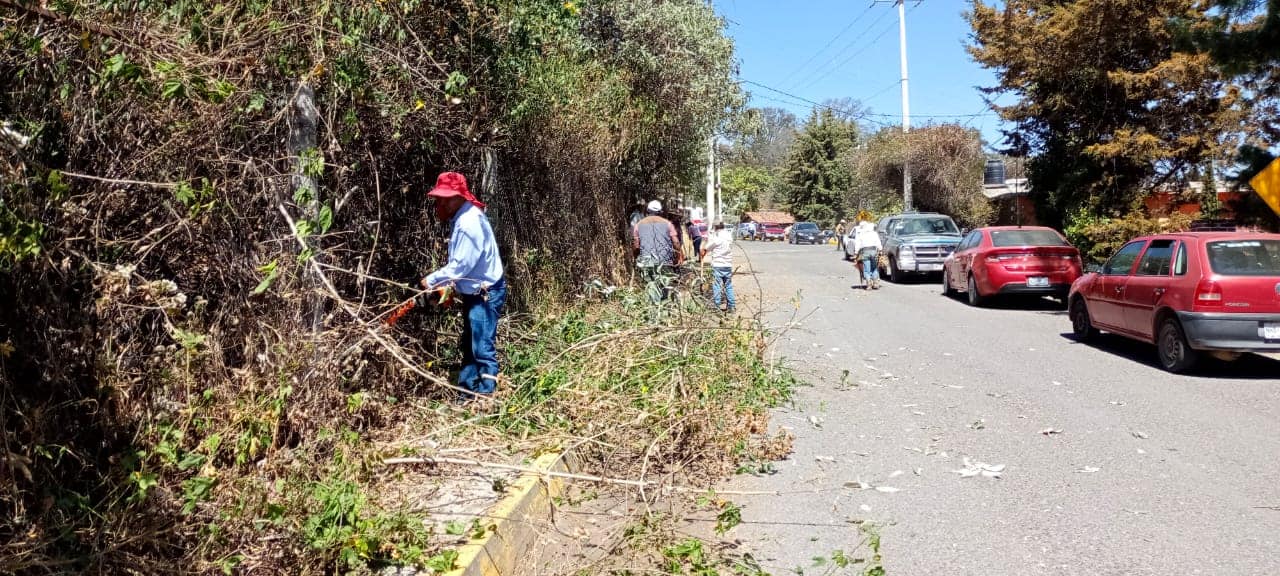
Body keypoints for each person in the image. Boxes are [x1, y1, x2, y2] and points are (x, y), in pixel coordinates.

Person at [420, 172, 506, 396]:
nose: (441, 203)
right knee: (470, 343)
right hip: (475, 292)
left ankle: (487, 396)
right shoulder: (463, 216)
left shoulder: (468, 222)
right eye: (440, 198)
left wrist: (429, 281)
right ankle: (467, 393)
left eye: (446, 198)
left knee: (481, 347)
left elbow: (460, 267)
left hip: (485, 293)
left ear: (459, 196)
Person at [633, 200, 682, 303]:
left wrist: (635, 258)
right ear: (660, 212)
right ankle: (663, 309)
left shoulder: (639, 224)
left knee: (651, 287)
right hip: (664, 261)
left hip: (647, 262)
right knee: (664, 286)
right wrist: (677, 257)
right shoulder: (668, 224)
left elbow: (636, 246)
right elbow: (676, 243)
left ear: (647, 211)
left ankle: (653, 310)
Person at [700, 221, 736, 313]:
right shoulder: (729, 236)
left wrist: (703, 249)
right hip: (728, 265)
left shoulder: (717, 238)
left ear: (716, 228)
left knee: (717, 286)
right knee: (728, 286)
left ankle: (717, 306)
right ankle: (732, 306)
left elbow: (706, 249)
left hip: (718, 265)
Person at [851, 216, 883, 290]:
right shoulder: (874, 233)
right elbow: (878, 242)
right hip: (874, 251)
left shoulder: (860, 234)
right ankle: (875, 283)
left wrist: (856, 253)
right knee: (874, 267)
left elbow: (858, 244)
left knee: (866, 268)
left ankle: (869, 284)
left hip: (865, 252)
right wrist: (880, 250)